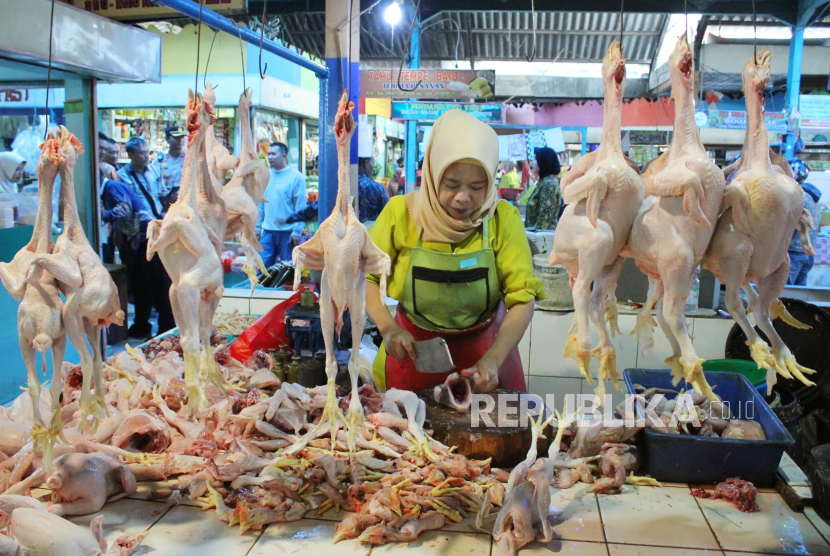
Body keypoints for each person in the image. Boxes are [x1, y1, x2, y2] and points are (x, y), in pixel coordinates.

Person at [365, 110, 546, 393]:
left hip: (485, 360)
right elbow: (367, 278)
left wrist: (494, 360)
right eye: (451, 185)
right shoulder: (401, 214)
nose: (463, 198)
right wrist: (388, 329)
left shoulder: (502, 220)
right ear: (433, 173)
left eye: (477, 186)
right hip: (412, 359)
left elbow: (523, 299)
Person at [256, 142, 307, 266]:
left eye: (274, 154)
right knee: (262, 270)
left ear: (284, 156)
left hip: (288, 234)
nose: (270, 157)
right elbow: (260, 204)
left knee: (287, 270)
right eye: (269, 154)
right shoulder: (264, 176)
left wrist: (297, 231)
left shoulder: (296, 177)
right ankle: (262, 287)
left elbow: (300, 207)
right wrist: (257, 228)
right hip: (267, 232)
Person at [788, 159, 822, 286]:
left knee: (786, 293)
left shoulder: (798, 196)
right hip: (808, 254)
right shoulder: (814, 197)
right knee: (799, 293)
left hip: (794, 253)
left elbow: (790, 225)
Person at [118, 137, 169, 220]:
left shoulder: (155, 171)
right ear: (131, 155)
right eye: (142, 153)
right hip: (138, 225)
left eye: (147, 152)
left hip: (158, 220)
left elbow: (162, 193)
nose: (146, 156)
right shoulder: (122, 175)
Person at [524, 147, 564, 230]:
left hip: (542, 240)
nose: (532, 162)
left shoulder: (548, 185)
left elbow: (544, 221)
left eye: (535, 159)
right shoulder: (543, 182)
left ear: (544, 162)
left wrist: (531, 239)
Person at [156, 125, 186, 210]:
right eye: (176, 137)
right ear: (167, 139)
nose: (180, 140)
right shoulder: (160, 160)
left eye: (182, 137)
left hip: (185, 202)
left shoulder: (189, 159)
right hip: (166, 203)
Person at [358, 156, 389, 223]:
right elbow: (388, 214)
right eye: (372, 163)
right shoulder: (377, 187)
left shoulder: (343, 184)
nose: (373, 167)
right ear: (365, 163)